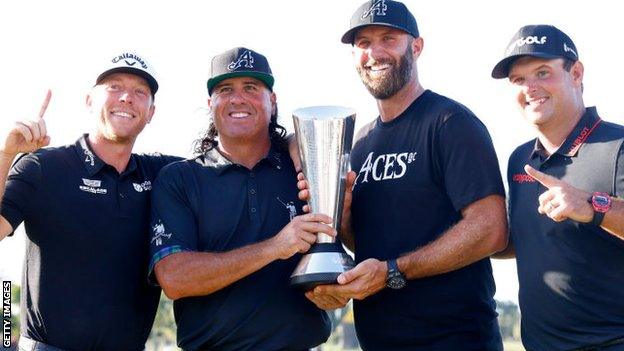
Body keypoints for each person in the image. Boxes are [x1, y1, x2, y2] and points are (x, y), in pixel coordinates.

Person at [302, 0, 508, 350]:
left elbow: (491, 229)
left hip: (455, 340)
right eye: (363, 43)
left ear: (416, 46)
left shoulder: (451, 123)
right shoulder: (360, 143)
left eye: (388, 38)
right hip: (379, 340)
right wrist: (345, 219)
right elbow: (368, 245)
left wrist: (394, 271)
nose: (375, 52)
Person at [148, 47, 332, 351]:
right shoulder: (179, 179)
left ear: (272, 101)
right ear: (211, 104)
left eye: (251, 87)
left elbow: (337, 248)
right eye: (225, 89)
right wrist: (275, 247)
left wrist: (335, 291)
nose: (238, 98)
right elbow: (174, 278)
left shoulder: (306, 170)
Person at [0, 52, 180, 350]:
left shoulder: (165, 175)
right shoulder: (44, 167)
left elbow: (230, 160)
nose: (126, 97)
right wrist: (6, 155)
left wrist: (287, 140)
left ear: (151, 112)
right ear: (89, 100)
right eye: (114, 86)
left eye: (140, 91)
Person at [492, 24, 624, 350]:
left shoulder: (618, 145)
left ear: (576, 73)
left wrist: (593, 206)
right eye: (519, 80)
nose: (530, 87)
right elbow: (521, 241)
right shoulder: (519, 160)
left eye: (542, 73)